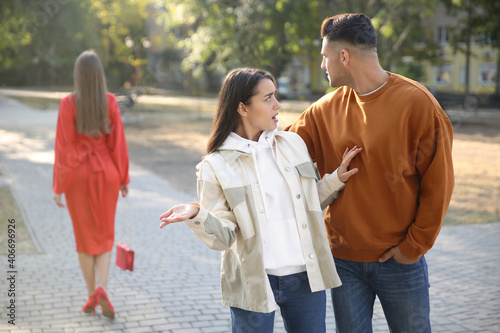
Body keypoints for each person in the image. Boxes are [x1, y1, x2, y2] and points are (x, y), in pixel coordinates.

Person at [285, 13, 455, 332]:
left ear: (344, 57)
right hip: (343, 263)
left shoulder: (418, 105)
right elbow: (279, 147)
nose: (323, 65)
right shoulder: (325, 109)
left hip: (400, 261)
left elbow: (439, 186)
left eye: (325, 57)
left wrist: (412, 248)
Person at [159, 68, 362, 332]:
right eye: (268, 98)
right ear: (243, 108)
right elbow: (224, 238)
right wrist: (196, 213)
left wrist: (337, 178)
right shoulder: (216, 165)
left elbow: (309, 205)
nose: (277, 105)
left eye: (275, 96)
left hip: (305, 277)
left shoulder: (293, 144)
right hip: (254, 280)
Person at [53, 50, 129, 319]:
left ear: (77, 76)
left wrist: (58, 185)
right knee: (105, 236)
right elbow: (117, 144)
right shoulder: (110, 102)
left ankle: (90, 295)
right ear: (99, 76)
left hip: (77, 177)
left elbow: (64, 148)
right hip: (106, 174)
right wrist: (123, 178)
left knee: (84, 240)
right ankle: (102, 288)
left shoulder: (68, 103)